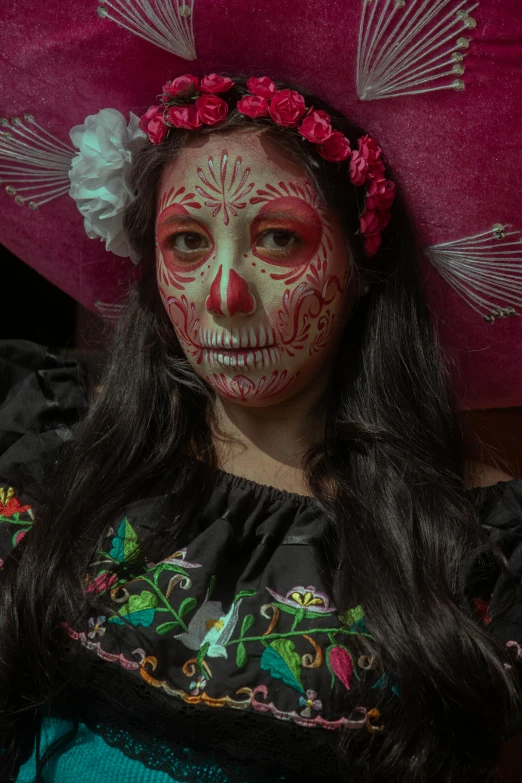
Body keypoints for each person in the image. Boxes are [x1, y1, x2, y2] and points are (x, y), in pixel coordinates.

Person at [1, 74, 522, 783]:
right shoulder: (53, 445)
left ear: (363, 263)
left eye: (278, 238)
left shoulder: (476, 543)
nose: (224, 294)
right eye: (186, 241)